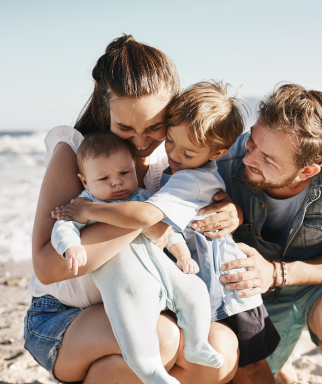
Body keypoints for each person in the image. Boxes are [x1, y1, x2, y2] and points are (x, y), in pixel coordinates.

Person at [24, 34, 241, 383]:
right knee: (161, 339)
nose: (141, 142)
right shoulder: (77, 153)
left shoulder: (173, 150)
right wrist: (141, 216)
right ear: (104, 107)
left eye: (154, 126)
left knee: (220, 347)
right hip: (63, 315)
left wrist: (230, 210)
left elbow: (207, 191)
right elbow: (48, 268)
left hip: (148, 298)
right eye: (124, 127)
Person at [53, 82, 281, 384]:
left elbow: (147, 215)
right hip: (204, 279)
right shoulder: (178, 170)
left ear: (218, 152)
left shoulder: (191, 178)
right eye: (170, 142)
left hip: (227, 285)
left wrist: (88, 211)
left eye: (187, 151)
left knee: (251, 365)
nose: (173, 153)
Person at [192, 84, 322, 384]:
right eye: (252, 143)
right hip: (252, 292)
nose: (249, 159)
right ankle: (279, 363)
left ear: (307, 171)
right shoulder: (224, 160)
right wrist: (223, 207)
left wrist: (276, 273)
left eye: (268, 160)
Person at [51, 130, 223, 384]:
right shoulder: (83, 205)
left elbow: (168, 230)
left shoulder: (141, 199)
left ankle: (197, 344)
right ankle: (151, 371)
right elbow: (63, 227)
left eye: (124, 173)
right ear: (85, 182)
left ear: (133, 168)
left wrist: (182, 255)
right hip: (125, 282)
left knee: (194, 289)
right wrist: (71, 247)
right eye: (103, 178)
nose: (116, 183)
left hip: (164, 271)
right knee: (133, 326)